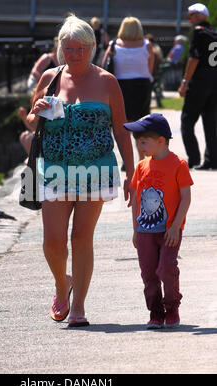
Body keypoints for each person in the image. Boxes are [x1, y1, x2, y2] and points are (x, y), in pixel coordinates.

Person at [26, 14, 134, 327]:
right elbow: (33, 123)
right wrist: (37, 113)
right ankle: (63, 284)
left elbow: (121, 130)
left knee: (81, 237)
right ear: (60, 48)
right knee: (53, 242)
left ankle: (79, 308)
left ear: (91, 47)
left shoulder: (106, 81)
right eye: (68, 48)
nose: (74, 54)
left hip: (96, 170)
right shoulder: (50, 78)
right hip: (55, 171)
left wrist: (131, 171)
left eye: (81, 48)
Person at [124, 113, 194, 329]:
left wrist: (175, 226)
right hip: (145, 231)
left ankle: (171, 307)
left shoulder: (178, 164)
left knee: (165, 268)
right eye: (138, 141)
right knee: (148, 272)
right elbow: (136, 199)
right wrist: (135, 230)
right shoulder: (141, 167)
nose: (140, 145)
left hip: (169, 231)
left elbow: (186, 198)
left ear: (161, 141)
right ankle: (156, 312)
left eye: (144, 141)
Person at [102, 17, 154, 162]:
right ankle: (141, 157)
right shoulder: (147, 45)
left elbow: (104, 66)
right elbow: (150, 67)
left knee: (121, 124)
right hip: (142, 86)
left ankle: (127, 159)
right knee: (141, 124)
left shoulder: (113, 45)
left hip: (120, 86)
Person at [178, 3, 217, 170]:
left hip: (200, 81)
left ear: (201, 15)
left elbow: (194, 59)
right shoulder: (215, 32)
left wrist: (185, 82)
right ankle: (212, 160)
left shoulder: (198, 32)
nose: (189, 19)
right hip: (215, 81)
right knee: (211, 122)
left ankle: (193, 159)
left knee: (187, 120)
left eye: (191, 15)